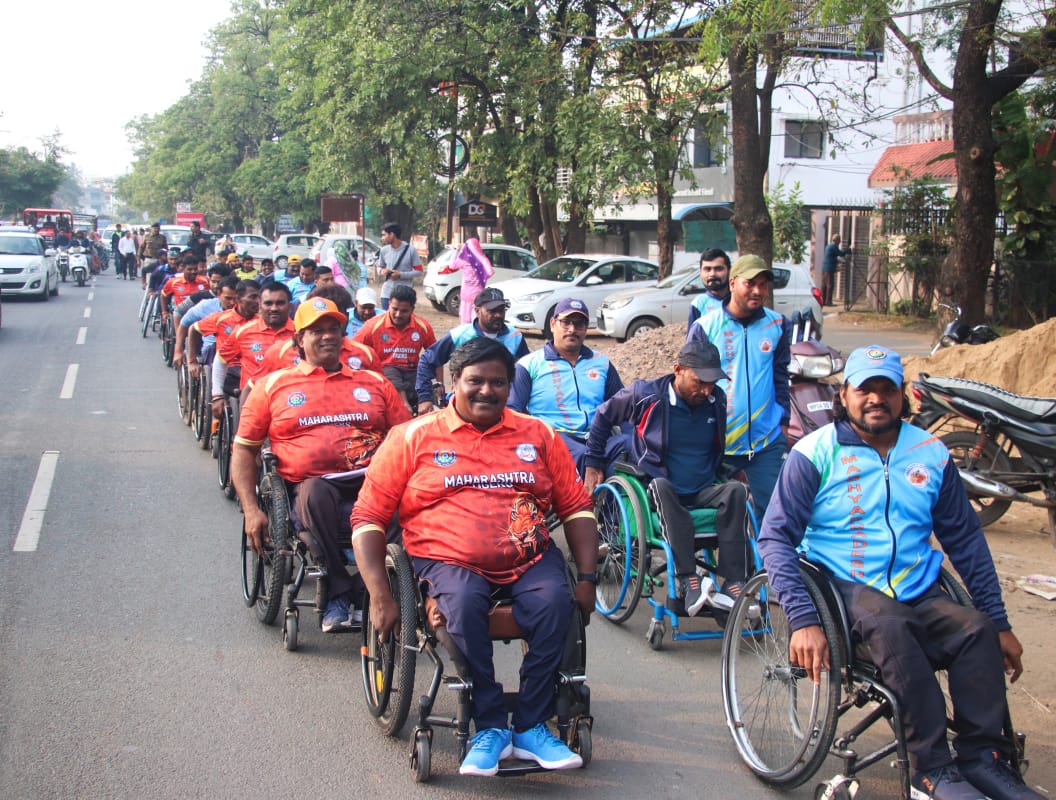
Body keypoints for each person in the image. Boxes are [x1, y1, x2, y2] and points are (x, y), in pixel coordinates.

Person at [758, 345, 1038, 800]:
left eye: (887, 389)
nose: (876, 399)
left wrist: (1000, 623)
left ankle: (984, 757)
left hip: (916, 585)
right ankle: (930, 769)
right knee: (892, 624)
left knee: (975, 629)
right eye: (865, 389)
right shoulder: (815, 453)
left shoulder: (930, 454)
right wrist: (804, 620)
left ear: (902, 396)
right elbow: (774, 538)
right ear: (843, 394)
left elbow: (965, 541)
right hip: (843, 584)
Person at [351, 337, 598, 776]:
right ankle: (488, 725)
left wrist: (586, 576)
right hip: (448, 560)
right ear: (452, 382)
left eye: (498, 383)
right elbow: (369, 517)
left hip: (527, 556)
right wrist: (379, 593)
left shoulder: (538, 434)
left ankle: (531, 724)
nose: (487, 391)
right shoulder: (411, 436)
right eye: (476, 381)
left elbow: (576, 507)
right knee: (463, 605)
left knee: (555, 604)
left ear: (510, 386)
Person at [233, 297, 411, 632]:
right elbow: (244, 450)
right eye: (317, 330)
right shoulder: (274, 386)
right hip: (312, 484)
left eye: (334, 329)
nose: (328, 336)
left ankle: (364, 591)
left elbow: (405, 436)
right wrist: (252, 508)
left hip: (373, 479)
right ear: (299, 339)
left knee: (418, 505)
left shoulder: (373, 382)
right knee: (315, 492)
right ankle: (338, 593)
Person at [584, 340, 751, 616]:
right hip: (660, 485)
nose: (707, 390)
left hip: (702, 486)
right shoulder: (645, 395)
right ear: (678, 370)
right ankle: (688, 579)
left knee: (737, 491)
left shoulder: (715, 399)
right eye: (700, 382)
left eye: (712, 383)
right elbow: (603, 417)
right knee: (661, 487)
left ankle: (734, 583)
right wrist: (593, 462)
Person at [686, 254, 790, 517]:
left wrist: (784, 420)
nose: (757, 291)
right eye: (750, 283)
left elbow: (780, 376)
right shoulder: (705, 327)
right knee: (715, 517)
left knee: (775, 516)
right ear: (733, 284)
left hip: (765, 442)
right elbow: (690, 384)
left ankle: (767, 560)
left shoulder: (777, 325)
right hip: (718, 441)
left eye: (763, 285)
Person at [509, 297, 624, 472]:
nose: (572, 329)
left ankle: (615, 497)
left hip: (599, 436)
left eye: (579, 324)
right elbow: (512, 412)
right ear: (553, 323)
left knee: (629, 446)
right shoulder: (529, 365)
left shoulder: (601, 363)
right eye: (566, 322)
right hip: (555, 437)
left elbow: (622, 406)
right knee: (582, 458)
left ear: (586, 328)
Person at [415, 287, 529, 414]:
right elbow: (427, 360)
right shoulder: (460, 335)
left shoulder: (515, 337)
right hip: (464, 404)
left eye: (501, 310)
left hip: (503, 404)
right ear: (477, 311)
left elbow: (526, 372)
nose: (498, 315)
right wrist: (424, 398)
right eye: (491, 311)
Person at [253, 284, 379, 378]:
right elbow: (254, 391)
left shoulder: (366, 354)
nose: (327, 335)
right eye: (318, 328)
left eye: (333, 324)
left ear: (345, 316)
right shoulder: (280, 352)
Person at [353, 284, 435, 412]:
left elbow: (435, 355)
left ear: (412, 309)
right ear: (389, 304)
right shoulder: (373, 325)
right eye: (394, 308)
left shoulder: (423, 326)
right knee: (390, 370)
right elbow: (354, 349)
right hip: (384, 373)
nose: (398, 314)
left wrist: (439, 383)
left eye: (404, 311)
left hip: (412, 370)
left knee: (427, 393)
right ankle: (403, 406)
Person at [437, 238, 494, 323]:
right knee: (477, 318)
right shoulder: (483, 259)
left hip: (466, 294)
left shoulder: (463, 260)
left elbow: (452, 266)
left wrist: (457, 251)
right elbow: (490, 272)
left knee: (465, 319)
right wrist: (481, 277)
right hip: (478, 294)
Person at [376, 222, 422, 311]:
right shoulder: (384, 250)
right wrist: (382, 271)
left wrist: (400, 275)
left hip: (405, 293)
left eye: (384, 235)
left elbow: (419, 271)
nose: (382, 238)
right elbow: (379, 267)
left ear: (392, 234)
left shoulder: (411, 250)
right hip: (387, 292)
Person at [687, 247, 732, 326]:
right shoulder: (699, 304)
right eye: (707, 269)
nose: (712, 274)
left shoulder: (739, 300)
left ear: (729, 271)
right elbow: (693, 337)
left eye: (718, 269)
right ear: (700, 272)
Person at [160, 254, 210, 322]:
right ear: (183, 269)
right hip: (181, 315)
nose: (193, 272)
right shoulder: (173, 282)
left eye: (195, 269)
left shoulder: (205, 281)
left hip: (201, 314)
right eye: (189, 269)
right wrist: (164, 312)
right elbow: (164, 295)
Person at [821, 234, 851, 307]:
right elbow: (840, 253)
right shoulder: (833, 246)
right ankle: (829, 302)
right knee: (830, 285)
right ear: (836, 240)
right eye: (839, 240)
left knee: (825, 285)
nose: (840, 241)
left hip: (825, 268)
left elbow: (834, 257)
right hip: (829, 268)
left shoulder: (829, 246)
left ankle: (823, 301)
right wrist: (848, 249)